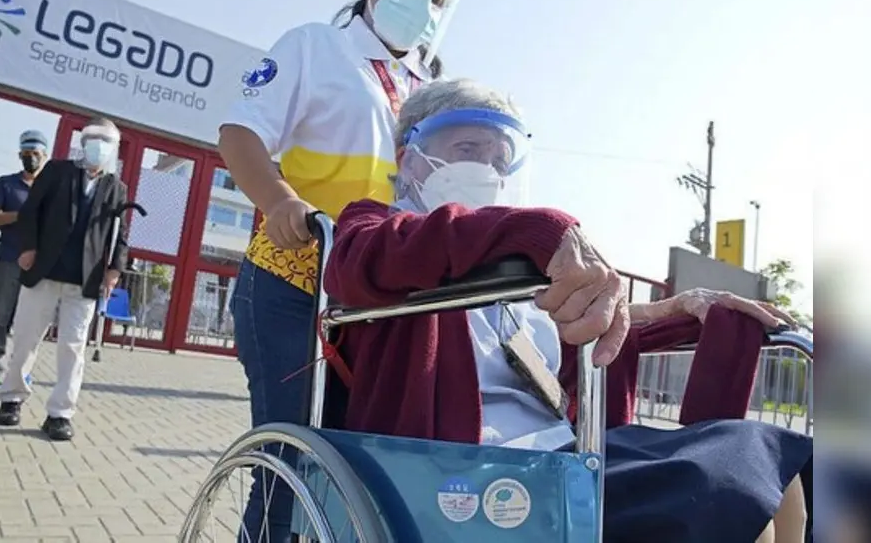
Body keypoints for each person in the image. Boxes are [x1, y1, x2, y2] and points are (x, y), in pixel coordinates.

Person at [321, 79, 813, 543]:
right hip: (467, 473)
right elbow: (361, 260)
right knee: (728, 494)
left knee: (772, 462)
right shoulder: (377, 226)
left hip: (566, 454)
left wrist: (686, 309)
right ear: (409, 158)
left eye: (499, 157)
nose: (487, 170)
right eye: (467, 149)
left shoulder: (512, 267)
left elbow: (578, 333)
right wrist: (540, 229)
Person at [219, 0, 461, 538]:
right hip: (295, 282)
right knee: (289, 465)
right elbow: (240, 132)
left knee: (358, 473)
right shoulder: (315, 47)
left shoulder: (429, 90)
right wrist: (279, 202)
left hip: (380, 301)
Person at [0, 117, 130, 441]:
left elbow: (119, 234)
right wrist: (27, 248)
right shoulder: (56, 171)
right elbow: (29, 213)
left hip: (83, 280)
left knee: (72, 348)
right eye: (93, 138)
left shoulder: (115, 187)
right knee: (26, 338)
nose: (99, 145)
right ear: (83, 142)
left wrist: (114, 269)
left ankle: (60, 413)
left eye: (106, 140)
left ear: (113, 147)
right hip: (44, 271)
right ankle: (11, 399)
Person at [0, 129, 48, 390]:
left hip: (39, 266)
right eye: (26, 154)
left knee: (29, 323)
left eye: (36, 154)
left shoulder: (49, 188)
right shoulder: (6, 183)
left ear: (45, 155)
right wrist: (21, 215)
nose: (31, 158)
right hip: (8, 260)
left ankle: (21, 371)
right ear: (20, 155)